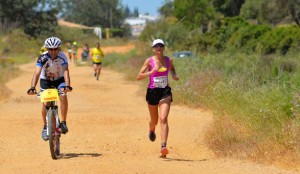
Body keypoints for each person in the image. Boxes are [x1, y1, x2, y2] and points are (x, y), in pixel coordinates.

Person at [136, 39, 179, 158]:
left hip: (165, 92)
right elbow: (138, 76)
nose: (159, 47)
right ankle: (151, 129)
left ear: (163, 48)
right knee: (154, 121)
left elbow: (172, 68)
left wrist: (174, 75)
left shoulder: (168, 60)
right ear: (153, 49)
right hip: (152, 92)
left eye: (161, 45)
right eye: (156, 46)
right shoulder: (149, 61)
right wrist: (152, 71)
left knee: (163, 118)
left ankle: (163, 146)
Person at [27, 36, 73, 141]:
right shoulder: (42, 57)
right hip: (46, 81)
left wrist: (68, 85)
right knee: (45, 104)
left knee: (63, 95)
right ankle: (45, 127)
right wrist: (32, 87)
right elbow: (37, 73)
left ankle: (63, 122)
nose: (53, 51)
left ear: (59, 49)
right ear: (47, 49)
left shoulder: (63, 57)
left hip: (59, 80)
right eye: (50, 49)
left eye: (56, 49)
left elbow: (66, 71)